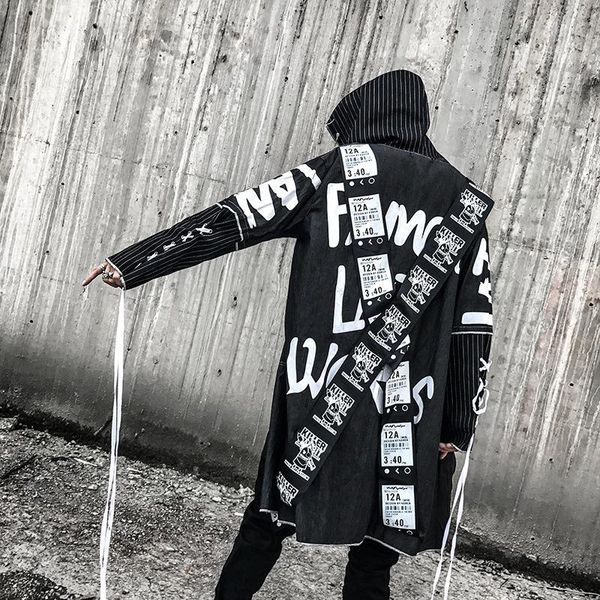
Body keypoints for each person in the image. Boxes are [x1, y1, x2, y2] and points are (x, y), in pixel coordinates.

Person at [83, 69, 493, 599]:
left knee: (268, 516)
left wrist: (135, 263)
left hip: (322, 391)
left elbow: (239, 217)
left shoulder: (336, 172)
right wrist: (457, 422)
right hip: (412, 407)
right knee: (377, 550)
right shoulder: (464, 204)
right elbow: (473, 324)